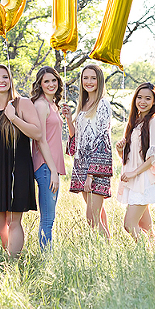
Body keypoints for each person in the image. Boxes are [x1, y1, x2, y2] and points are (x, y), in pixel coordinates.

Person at [0, 64, 41, 257]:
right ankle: (12, 252)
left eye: (5, 77)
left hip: (18, 167)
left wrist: (13, 118)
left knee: (14, 221)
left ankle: (12, 261)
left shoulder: (20, 103)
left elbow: (37, 132)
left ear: (10, 80)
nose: (1, 81)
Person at [64, 63, 112, 237]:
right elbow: (77, 138)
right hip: (82, 165)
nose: (89, 81)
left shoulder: (103, 104)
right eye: (85, 78)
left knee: (92, 217)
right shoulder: (83, 105)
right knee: (97, 214)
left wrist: (92, 174)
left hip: (96, 166)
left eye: (93, 78)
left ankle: (105, 249)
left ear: (99, 81)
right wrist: (69, 120)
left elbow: (102, 139)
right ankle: (108, 248)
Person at [115, 82, 155, 241]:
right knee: (146, 227)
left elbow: (153, 158)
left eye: (147, 98)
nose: (142, 101)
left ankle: (142, 253)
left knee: (129, 224)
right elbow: (130, 158)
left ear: (154, 102)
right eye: (139, 97)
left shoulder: (153, 122)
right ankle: (154, 253)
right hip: (133, 179)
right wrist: (119, 150)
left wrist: (134, 173)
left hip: (143, 180)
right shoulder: (135, 121)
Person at [30, 66, 66, 251]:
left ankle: (47, 254)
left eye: (54, 80)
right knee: (47, 219)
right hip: (45, 166)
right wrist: (53, 170)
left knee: (49, 217)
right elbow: (40, 139)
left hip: (50, 166)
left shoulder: (52, 105)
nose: (51, 84)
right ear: (40, 84)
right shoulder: (41, 104)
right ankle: (46, 257)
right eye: (46, 81)